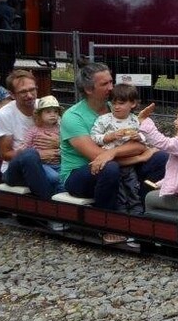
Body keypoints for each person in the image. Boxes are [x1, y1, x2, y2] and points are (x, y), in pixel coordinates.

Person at [60, 61, 167, 217]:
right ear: (89, 89)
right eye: (105, 84)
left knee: (161, 158)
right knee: (109, 168)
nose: (111, 87)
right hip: (79, 175)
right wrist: (139, 158)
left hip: (121, 166)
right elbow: (98, 158)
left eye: (111, 81)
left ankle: (142, 211)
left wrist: (114, 152)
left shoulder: (117, 106)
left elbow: (139, 145)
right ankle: (107, 222)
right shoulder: (73, 117)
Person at [0, 70, 60, 199]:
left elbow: (64, 136)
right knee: (30, 155)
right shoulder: (4, 114)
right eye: (23, 92)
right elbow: (5, 154)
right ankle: (48, 207)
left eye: (32, 90)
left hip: (50, 164)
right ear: (12, 94)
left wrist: (59, 143)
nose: (30, 95)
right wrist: (38, 155)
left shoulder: (45, 106)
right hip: (15, 169)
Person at [89, 82, 154, 164]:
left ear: (133, 103)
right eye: (113, 103)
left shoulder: (135, 120)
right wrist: (109, 137)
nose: (116, 107)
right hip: (111, 159)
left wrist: (139, 137)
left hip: (131, 158)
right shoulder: (104, 119)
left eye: (121, 103)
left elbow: (147, 138)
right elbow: (93, 138)